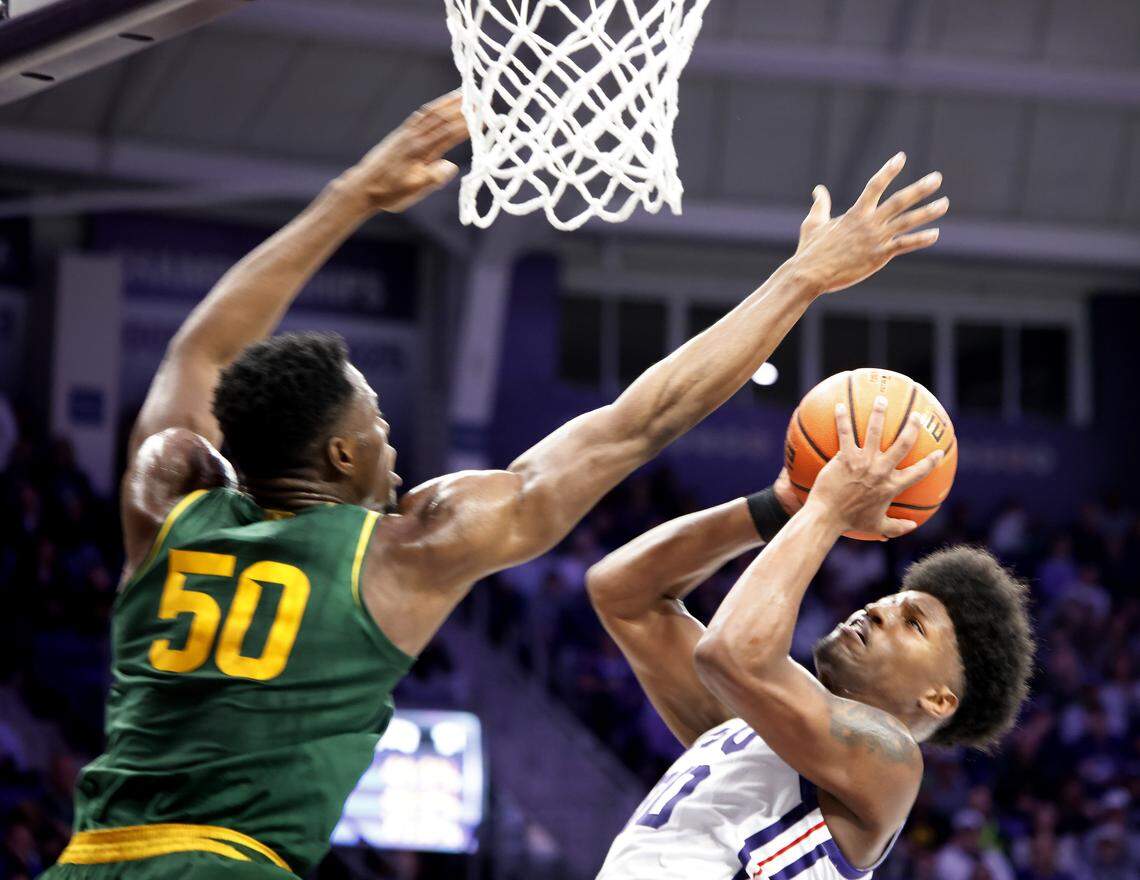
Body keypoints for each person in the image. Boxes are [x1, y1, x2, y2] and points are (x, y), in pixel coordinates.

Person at [42, 89, 948, 879]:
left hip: (90, 857)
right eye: (378, 427)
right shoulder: (403, 552)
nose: (394, 448)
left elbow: (200, 353)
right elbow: (636, 424)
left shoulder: (170, 507)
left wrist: (350, 196)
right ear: (343, 459)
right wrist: (800, 280)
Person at [586, 399, 1034, 879]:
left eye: (914, 624)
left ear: (938, 699)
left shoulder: (892, 763)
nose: (878, 610)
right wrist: (776, 508)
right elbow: (623, 594)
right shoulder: (753, 723)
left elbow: (729, 654)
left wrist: (827, 509)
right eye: (889, 600)